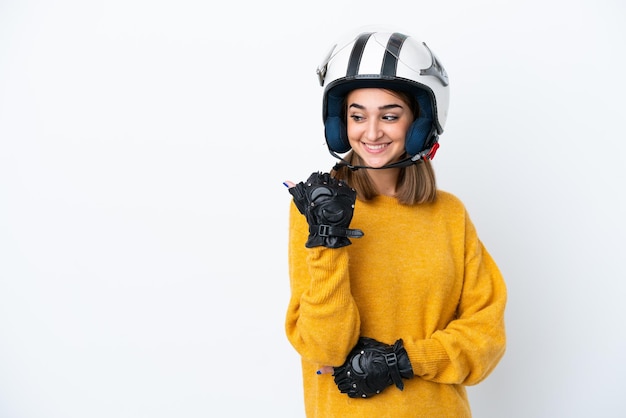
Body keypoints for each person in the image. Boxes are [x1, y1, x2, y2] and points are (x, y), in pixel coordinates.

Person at [283, 27, 507, 418]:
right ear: (341, 123)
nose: (371, 132)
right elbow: (326, 349)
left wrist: (403, 361)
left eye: (389, 115)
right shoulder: (314, 210)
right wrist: (327, 238)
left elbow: (486, 338)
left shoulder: (449, 214)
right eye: (357, 116)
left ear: (418, 123)